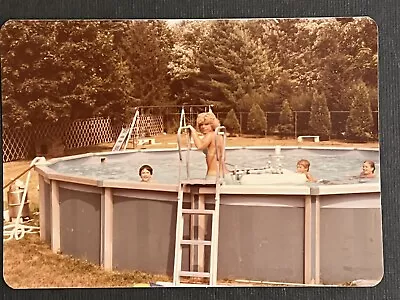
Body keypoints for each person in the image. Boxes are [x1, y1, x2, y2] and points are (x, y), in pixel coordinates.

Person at [187, 112, 232, 183]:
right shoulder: (219, 136)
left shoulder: (210, 135)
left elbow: (200, 146)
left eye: (206, 124)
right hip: (226, 175)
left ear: (212, 124)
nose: (203, 127)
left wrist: (193, 131)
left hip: (214, 176)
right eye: (201, 125)